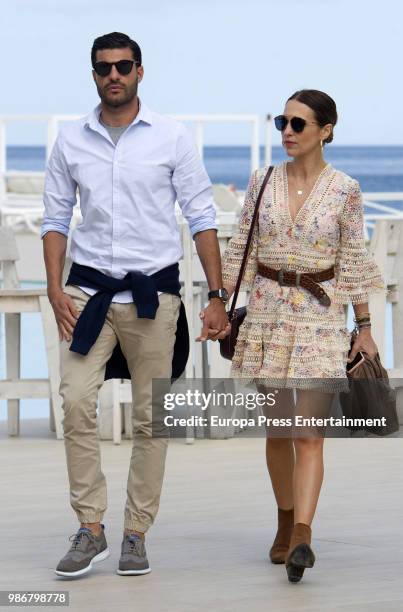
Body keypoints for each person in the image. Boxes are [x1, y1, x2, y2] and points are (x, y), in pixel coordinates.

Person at [41, 31, 229, 578]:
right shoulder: (70, 140)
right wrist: (55, 290)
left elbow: (202, 217)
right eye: (104, 68)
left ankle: (135, 532)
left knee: (152, 420)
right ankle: (90, 527)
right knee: (76, 402)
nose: (114, 75)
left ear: (140, 71)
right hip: (87, 294)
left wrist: (216, 296)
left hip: (154, 297)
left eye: (124, 66)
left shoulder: (171, 138)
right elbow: (55, 220)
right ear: (94, 75)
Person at [206, 89, 386, 582]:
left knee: (309, 434)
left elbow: (353, 261)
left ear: (326, 129)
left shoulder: (346, 189)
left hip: (321, 319)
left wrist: (365, 329)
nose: (287, 131)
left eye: (299, 123)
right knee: (278, 430)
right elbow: (241, 244)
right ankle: (284, 522)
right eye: (282, 121)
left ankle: (303, 533)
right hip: (265, 315)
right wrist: (218, 301)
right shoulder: (262, 181)